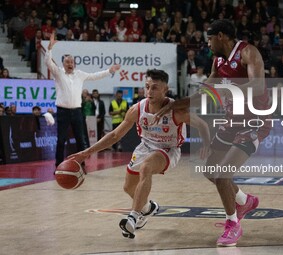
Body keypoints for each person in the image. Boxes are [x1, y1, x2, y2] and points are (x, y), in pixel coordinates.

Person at [155, 19, 271, 246]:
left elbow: (258, 85)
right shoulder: (218, 62)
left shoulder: (248, 52)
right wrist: (176, 104)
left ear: (221, 36)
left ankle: (233, 224)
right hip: (232, 122)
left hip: (255, 122)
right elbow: (203, 94)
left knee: (222, 175)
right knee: (209, 170)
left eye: (209, 38)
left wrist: (229, 91)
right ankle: (243, 200)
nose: (206, 43)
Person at [68, 69, 210, 239]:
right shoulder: (137, 109)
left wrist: (206, 146)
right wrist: (87, 152)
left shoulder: (177, 111)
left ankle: (133, 218)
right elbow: (115, 135)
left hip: (168, 149)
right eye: (147, 87)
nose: (149, 91)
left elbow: (202, 125)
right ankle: (148, 208)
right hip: (145, 146)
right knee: (128, 187)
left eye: (155, 88)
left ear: (165, 90)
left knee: (146, 167)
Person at [44, 31, 121, 168]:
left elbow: (94, 76)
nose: (70, 64)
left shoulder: (79, 74)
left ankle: (82, 164)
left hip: (77, 112)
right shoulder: (58, 73)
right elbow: (48, 62)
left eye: (72, 62)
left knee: (81, 139)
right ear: (63, 63)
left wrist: (109, 70)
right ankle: (58, 165)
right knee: (61, 140)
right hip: (63, 111)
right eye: (67, 62)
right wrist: (49, 49)